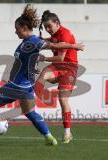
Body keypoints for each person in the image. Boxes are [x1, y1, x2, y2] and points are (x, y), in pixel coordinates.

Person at [0, 4, 83, 146]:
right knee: (30, 112)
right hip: (25, 86)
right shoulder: (26, 42)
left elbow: (55, 46)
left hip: (18, 85)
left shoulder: (33, 41)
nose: (16, 32)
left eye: (17, 29)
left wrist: (73, 46)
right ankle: (50, 138)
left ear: (24, 28)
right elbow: (28, 60)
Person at [35, 10, 84, 144]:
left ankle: (67, 133)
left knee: (63, 100)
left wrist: (44, 57)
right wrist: (37, 41)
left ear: (57, 23)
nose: (48, 29)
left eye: (49, 26)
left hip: (69, 68)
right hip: (57, 67)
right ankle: (30, 104)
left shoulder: (65, 33)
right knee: (42, 76)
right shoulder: (55, 34)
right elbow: (48, 41)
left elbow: (60, 57)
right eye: (45, 27)